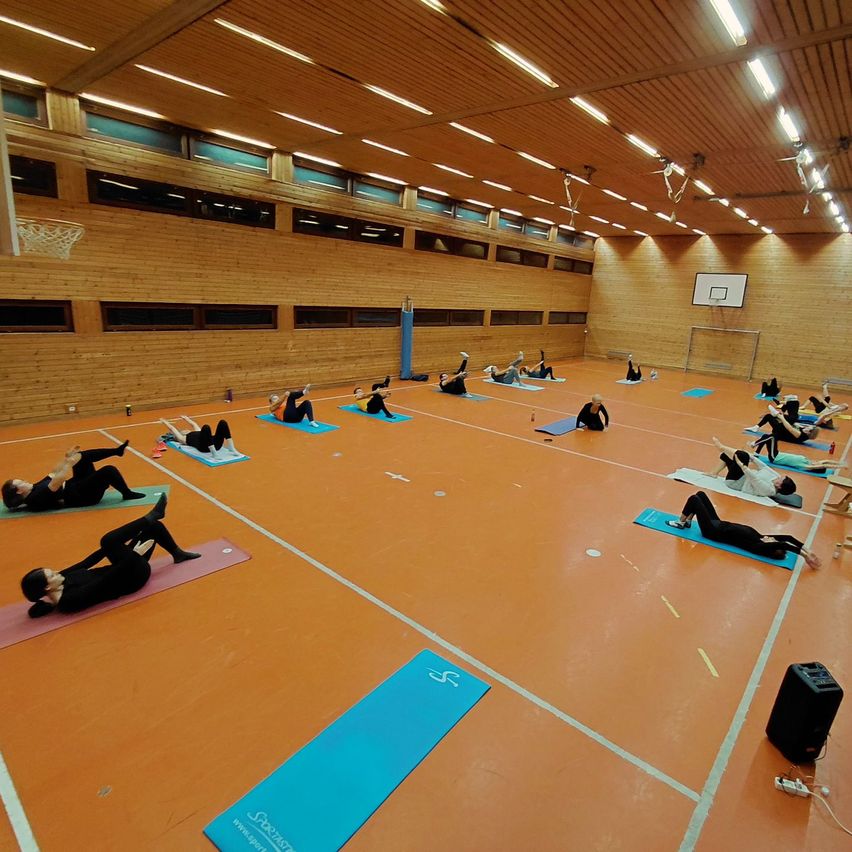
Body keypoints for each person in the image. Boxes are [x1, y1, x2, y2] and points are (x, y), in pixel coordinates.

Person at [20, 493, 200, 618]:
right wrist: (133, 555)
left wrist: (113, 549)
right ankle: (153, 515)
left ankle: (177, 553)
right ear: (46, 588)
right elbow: (105, 581)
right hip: (132, 578)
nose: (55, 572)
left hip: (124, 566)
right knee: (107, 540)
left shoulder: (60, 579)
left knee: (149, 530)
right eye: (50, 575)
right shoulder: (69, 601)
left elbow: (87, 562)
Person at [665, 491, 821, 567]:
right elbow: (787, 538)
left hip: (711, 531)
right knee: (700, 494)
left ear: (770, 546)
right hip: (718, 523)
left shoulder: (758, 545)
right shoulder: (762, 537)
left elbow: (784, 545)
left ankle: (680, 522)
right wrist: (808, 550)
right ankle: (688, 521)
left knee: (694, 499)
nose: (773, 537)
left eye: (773, 541)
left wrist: (804, 556)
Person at [2, 443, 145, 513]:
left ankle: (116, 451)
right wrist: (69, 464)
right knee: (108, 470)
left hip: (76, 486)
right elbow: (57, 481)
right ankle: (127, 493)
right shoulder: (34, 499)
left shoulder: (34, 487)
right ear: (19, 491)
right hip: (82, 496)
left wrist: (67, 458)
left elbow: (53, 473)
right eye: (20, 482)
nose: (23, 480)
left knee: (81, 456)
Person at [705, 437, 796, 498]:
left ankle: (721, 447)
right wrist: (751, 457)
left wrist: (743, 466)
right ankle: (714, 473)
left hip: (736, 482)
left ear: (779, 486)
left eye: (781, 479)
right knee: (737, 455)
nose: (779, 477)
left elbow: (754, 479)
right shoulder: (776, 476)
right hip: (743, 474)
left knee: (742, 456)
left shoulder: (770, 490)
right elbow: (763, 466)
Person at [751, 433, 846, 474]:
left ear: (816, 468)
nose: (818, 462)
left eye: (818, 464)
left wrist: (837, 467)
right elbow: (825, 462)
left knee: (771, 437)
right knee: (766, 436)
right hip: (778, 454)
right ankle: (756, 452)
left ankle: (754, 444)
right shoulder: (808, 461)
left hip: (774, 457)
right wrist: (840, 464)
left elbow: (821, 466)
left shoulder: (804, 466)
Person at [160, 416, 240, 459]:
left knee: (222, 423)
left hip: (216, 444)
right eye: (183, 431)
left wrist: (186, 418)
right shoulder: (182, 439)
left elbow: (193, 424)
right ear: (182, 433)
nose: (185, 430)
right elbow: (172, 429)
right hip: (204, 447)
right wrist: (164, 422)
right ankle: (214, 454)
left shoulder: (198, 431)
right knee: (206, 427)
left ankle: (231, 447)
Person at [754, 406, 819, 445]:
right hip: (783, 431)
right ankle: (776, 414)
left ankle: (776, 415)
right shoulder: (804, 431)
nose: (807, 427)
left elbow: (790, 428)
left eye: (808, 428)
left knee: (768, 416)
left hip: (779, 433)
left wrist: (781, 418)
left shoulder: (801, 435)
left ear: (809, 432)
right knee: (791, 419)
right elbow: (794, 425)